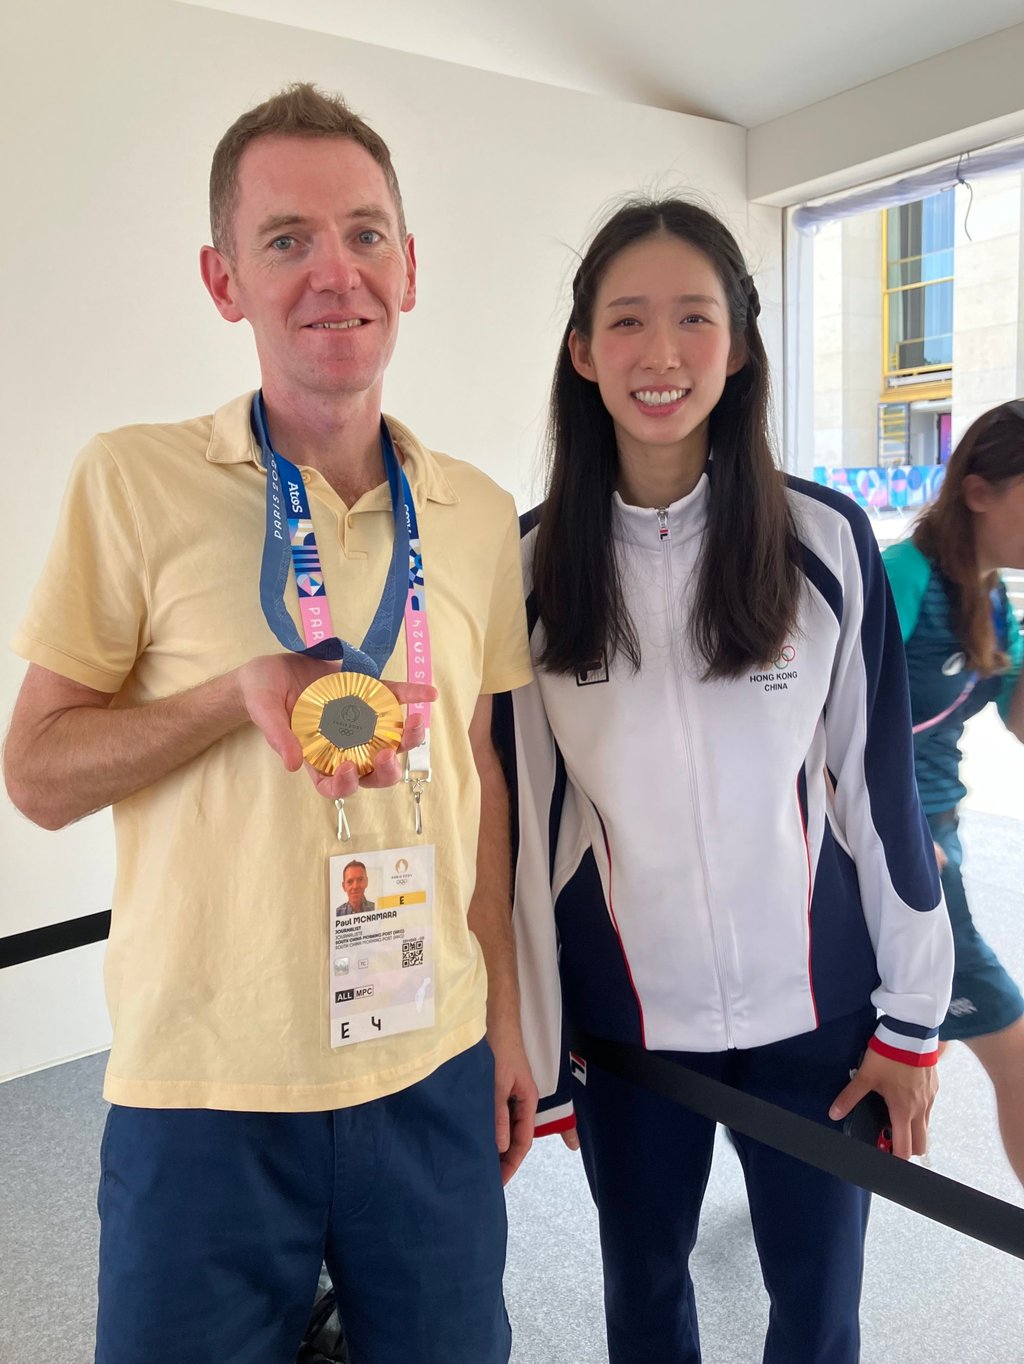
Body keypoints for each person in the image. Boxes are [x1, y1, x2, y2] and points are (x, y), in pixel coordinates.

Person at [3, 83, 537, 1364]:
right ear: (223, 278)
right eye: (286, 239)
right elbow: (36, 771)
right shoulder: (132, 479)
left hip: (429, 1060)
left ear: (409, 266)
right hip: (204, 1088)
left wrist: (506, 1016)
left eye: (363, 232)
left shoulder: (473, 511)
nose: (333, 271)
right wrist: (225, 699)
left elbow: (475, 769)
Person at [496, 198, 954, 1364]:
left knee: (816, 1310)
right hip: (629, 1028)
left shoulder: (825, 536)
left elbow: (878, 791)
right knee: (643, 1297)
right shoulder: (529, 568)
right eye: (628, 320)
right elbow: (525, 826)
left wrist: (910, 1023)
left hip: (819, 1016)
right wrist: (540, 1047)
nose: (661, 354)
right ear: (581, 349)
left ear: (739, 342)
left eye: (693, 318)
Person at [882, 400, 1024, 1185]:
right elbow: (826, 724)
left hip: (938, 834)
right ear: (978, 491)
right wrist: (900, 832)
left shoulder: (993, 595)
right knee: (1015, 1048)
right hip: (900, 848)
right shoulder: (904, 576)